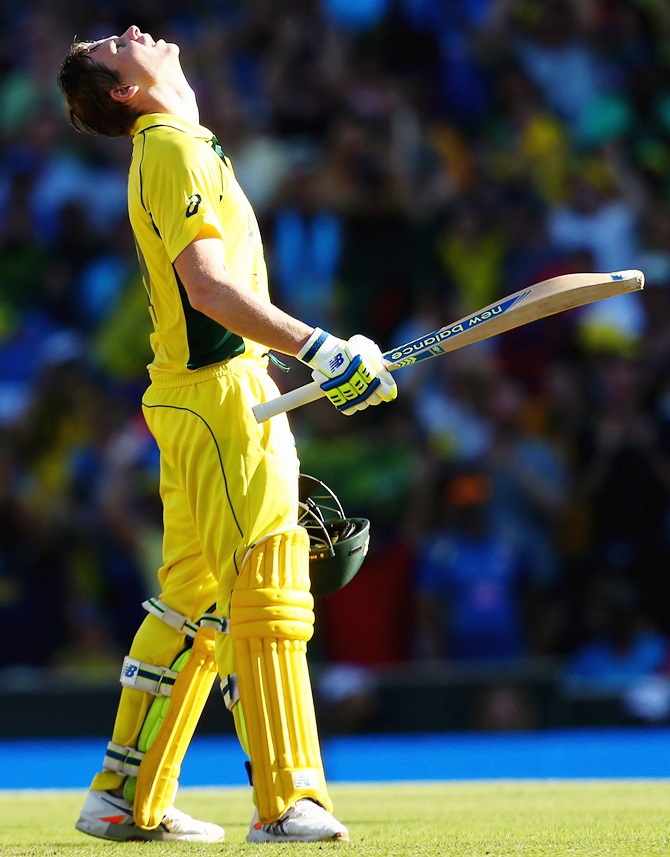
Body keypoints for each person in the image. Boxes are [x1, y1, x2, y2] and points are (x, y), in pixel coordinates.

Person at [56, 25, 396, 844]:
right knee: (267, 587)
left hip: (208, 392)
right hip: (216, 397)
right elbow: (208, 289)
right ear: (123, 92)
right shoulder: (167, 146)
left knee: (193, 602)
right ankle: (288, 801)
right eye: (112, 45)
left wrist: (285, 360)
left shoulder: (181, 142)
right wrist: (318, 347)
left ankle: (123, 793)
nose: (132, 31)